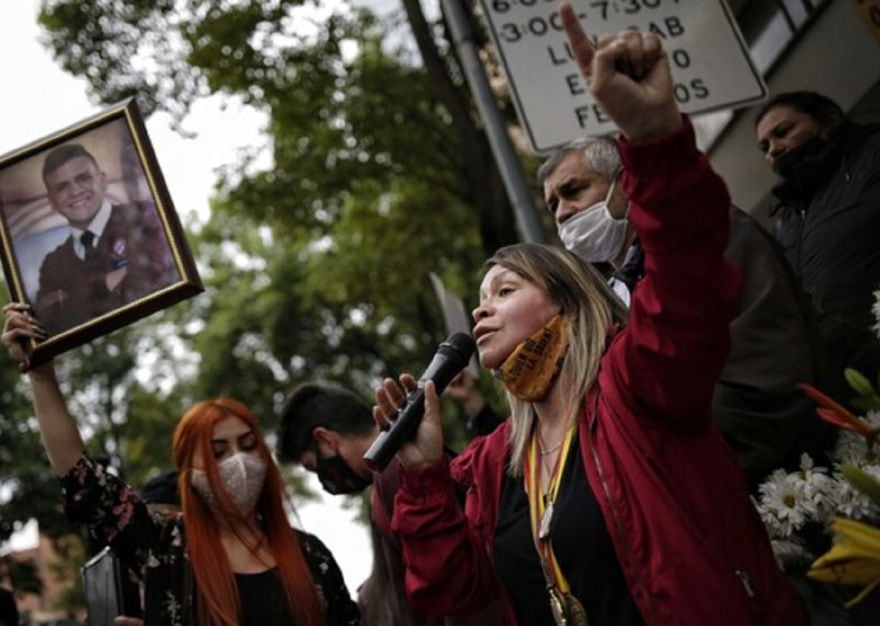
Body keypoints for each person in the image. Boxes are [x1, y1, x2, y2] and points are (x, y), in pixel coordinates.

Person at [372, 5, 806, 625]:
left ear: (568, 302)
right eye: (480, 297)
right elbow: (457, 599)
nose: (480, 309)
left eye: (503, 290)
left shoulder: (638, 388)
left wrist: (655, 138)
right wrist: (423, 481)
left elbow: (687, 272)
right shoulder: (494, 461)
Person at [0, 304, 360, 626]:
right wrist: (41, 374)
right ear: (191, 471)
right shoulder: (164, 546)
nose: (240, 461)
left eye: (248, 446)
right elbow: (82, 477)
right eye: (218, 451)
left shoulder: (311, 555)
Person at [537, 136, 832, 488]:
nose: (562, 213)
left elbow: (765, 364)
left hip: (784, 478)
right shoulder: (606, 301)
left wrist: (677, 467)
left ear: (625, 182)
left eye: (573, 191)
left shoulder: (706, 237)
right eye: (552, 205)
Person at [277, 382, 504, 626]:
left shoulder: (401, 475)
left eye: (314, 466)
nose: (325, 481)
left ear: (326, 439)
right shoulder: (395, 475)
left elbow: (455, 584)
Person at [755, 91, 880, 383]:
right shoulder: (787, 218)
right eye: (764, 146)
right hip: (853, 382)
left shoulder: (873, 155)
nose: (773, 149)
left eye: (783, 132)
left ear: (828, 120)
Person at [34, 143, 180, 335]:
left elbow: (155, 276)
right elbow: (50, 325)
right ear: (52, 201)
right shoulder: (52, 265)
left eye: (83, 178)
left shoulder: (143, 215)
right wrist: (110, 282)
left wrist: (72, 299)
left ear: (103, 181)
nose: (75, 191)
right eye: (62, 187)